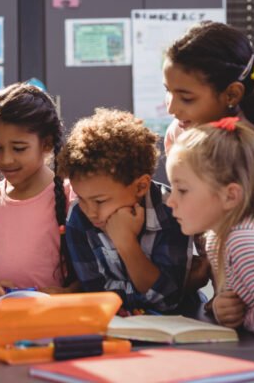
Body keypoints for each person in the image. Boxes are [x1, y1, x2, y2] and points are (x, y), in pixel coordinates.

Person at [166, 117, 254, 341]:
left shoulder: (245, 241)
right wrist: (224, 306)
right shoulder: (218, 239)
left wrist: (248, 317)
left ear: (230, 196)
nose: (170, 201)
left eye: (182, 190)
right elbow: (246, 298)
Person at [163, 21, 254, 227]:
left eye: (186, 98)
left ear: (232, 94)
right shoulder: (180, 133)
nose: (171, 108)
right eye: (168, 91)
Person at [57, 108, 193, 313]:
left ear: (140, 187)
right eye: (81, 198)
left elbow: (167, 299)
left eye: (100, 201)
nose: (90, 211)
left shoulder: (172, 212)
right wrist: (145, 292)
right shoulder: (78, 218)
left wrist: (126, 243)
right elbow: (98, 296)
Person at [0, 83, 76, 302]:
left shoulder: (71, 198)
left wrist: (69, 293)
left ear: (47, 144)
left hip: (51, 320)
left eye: (19, 148)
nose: (6, 159)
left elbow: (92, 273)